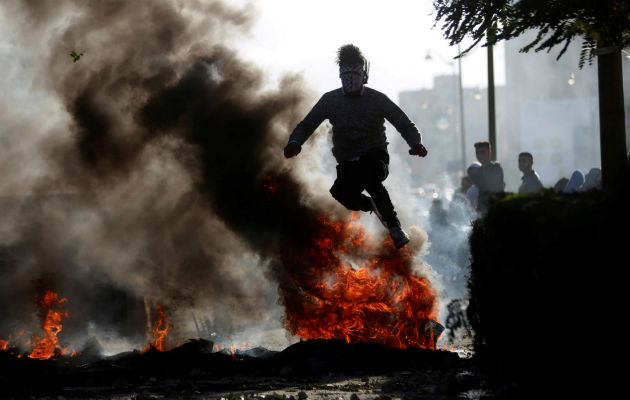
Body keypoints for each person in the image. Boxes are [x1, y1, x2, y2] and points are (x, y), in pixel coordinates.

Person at [283, 44, 427, 249]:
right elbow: (307, 125)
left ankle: (395, 228)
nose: (350, 79)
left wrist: (415, 143)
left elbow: (403, 123)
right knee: (340, 193)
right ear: (340, 75)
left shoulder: (377, 99)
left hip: (375, 157)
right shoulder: (330, 100)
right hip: (347, 162)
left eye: (355, 73)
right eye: (345, 74)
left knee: (369, 176)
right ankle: (373, 206)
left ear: (364, 74)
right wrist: (295, 143)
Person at [470, 141, 504, 214]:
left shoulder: (496, 168)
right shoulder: (479, 170)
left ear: (490, 153)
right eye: (477, 153)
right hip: (482, 209)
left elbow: (490, 185)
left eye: (482, 152)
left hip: (494, 209)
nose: (479, 155)